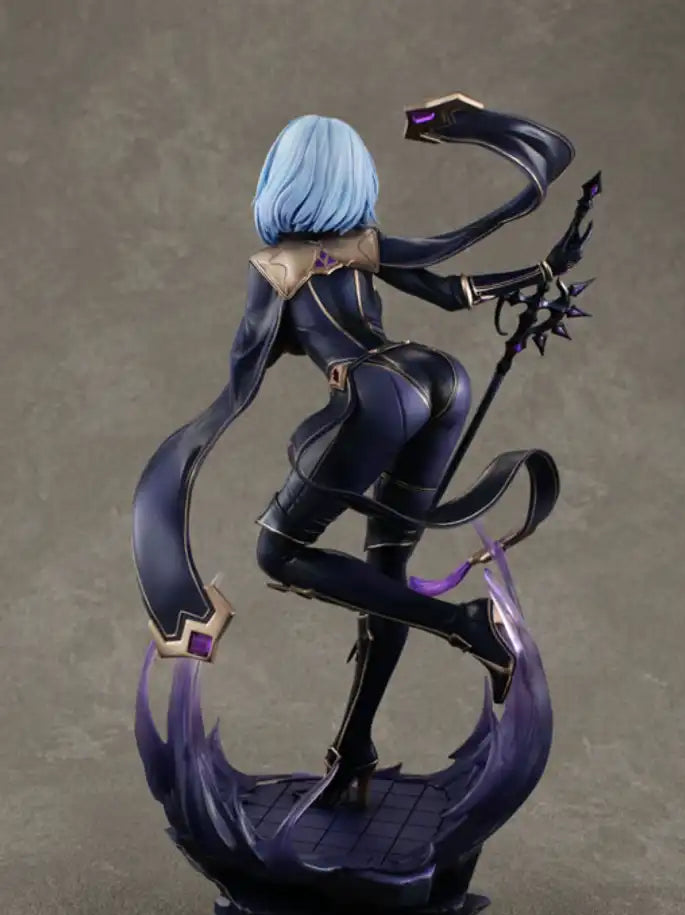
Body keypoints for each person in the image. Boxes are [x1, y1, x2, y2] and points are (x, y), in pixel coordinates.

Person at [132, 99, 588, 808]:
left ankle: (465, 625)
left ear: (281, 180)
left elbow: (249, 359)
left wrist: (212, 421)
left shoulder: (274, 266)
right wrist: (538, 272)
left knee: (279, 552)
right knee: (385, 575)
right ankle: (354, 749)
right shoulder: (361, 246)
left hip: (377, 394)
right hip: (440, 379)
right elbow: (452, 288)